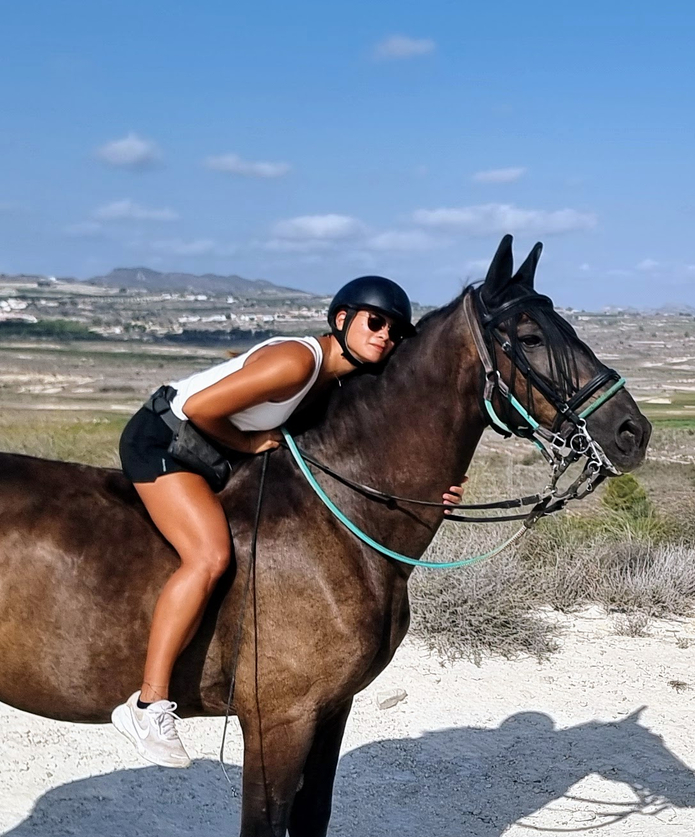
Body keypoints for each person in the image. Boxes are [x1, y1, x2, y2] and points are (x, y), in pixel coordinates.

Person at [110, 275, 460, 767]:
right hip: (167, 441)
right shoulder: (298, 362)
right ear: (342, 320)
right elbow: (197, 407)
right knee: (208, 555)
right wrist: (250, 445)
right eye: (376, 322)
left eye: (397, 332)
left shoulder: (335, 378)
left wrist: (430, 494)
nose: (385, 336)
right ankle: (148, 704)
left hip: (213, 448)